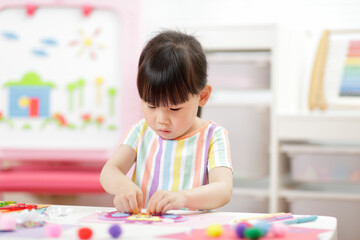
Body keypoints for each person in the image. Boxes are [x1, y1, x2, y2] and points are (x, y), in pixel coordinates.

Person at [100, 30, 233, 215]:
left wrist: (183, 198)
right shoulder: (141, 131)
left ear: (202, 96)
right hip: (144, 229)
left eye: (174, 109)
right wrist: (123, 187)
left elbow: (223, 189)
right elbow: (110, 170)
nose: (161, 120)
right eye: (151, 106)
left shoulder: (213, 136)